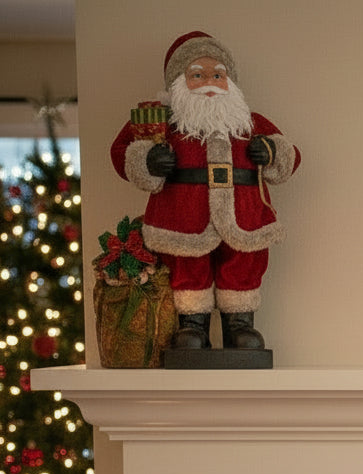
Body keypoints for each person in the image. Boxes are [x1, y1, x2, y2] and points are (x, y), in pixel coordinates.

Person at [110, 31, 300, 354]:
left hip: (244, 219)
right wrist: (149, 160)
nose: (210, 83)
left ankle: (240, 324)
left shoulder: (249, 123)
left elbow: (290, 155)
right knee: (188, 270)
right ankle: (192, 325)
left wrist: (269, 151)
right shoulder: (163, 122)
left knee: (243, 266)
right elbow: (121, 152)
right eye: (197, 75)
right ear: (178, 84)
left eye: (217, 75)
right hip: (183, 221)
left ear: (231, 82)